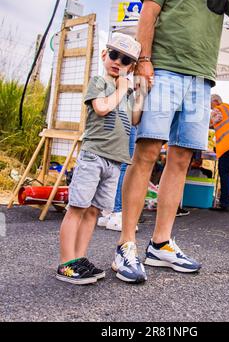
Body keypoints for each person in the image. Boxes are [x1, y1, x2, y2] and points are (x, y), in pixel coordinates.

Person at [112, 0, 229, 284]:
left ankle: (160, 244)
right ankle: (126, 244)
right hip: (163, 72)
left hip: (201, 81)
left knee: (180, 160)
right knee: (146, 153)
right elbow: (148, 15)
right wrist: (144, 60)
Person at [56, 33, 146, 285]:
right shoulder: (100, 81)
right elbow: (102, 108)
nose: (118, 61)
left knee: (94, 211)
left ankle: (79, 258)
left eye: (126, 60)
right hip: (94, 156)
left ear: (131, 66)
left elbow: (136, 120)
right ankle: (66, 262)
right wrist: (121, 89)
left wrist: (139, 92)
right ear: (105, 55)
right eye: (114, 55)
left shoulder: (126, 91)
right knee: (77, 208)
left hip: (114, 161)